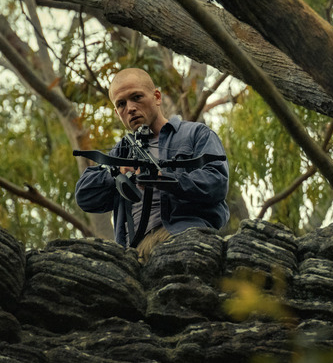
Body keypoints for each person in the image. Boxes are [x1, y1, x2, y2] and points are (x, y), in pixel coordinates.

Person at [75, 68, 229, 261]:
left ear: (157, 96)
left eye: (136, 97)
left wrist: (163, 178)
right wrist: (117, 172)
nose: (130, 108)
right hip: (133, 252)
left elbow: (217, 183)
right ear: (117, 113)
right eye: (121, 104)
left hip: (182, 235)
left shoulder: (195, 134)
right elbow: (84, 196)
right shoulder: (121, 152)